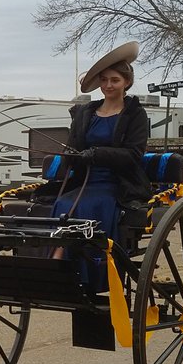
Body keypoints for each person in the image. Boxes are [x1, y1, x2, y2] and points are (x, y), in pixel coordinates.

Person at [51, 41, 151, 243]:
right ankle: (59, 264)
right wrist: (70, 156)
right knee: (62, 205)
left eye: (115, 80)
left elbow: (133, 155)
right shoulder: (85, 113)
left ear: (127, 82)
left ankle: (93, 266)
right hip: (84, 182)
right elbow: (74, 147)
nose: (108, 85)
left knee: (87, 207)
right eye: (104, 80)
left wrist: (97, 154)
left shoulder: (135, 114)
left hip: (119, 185)